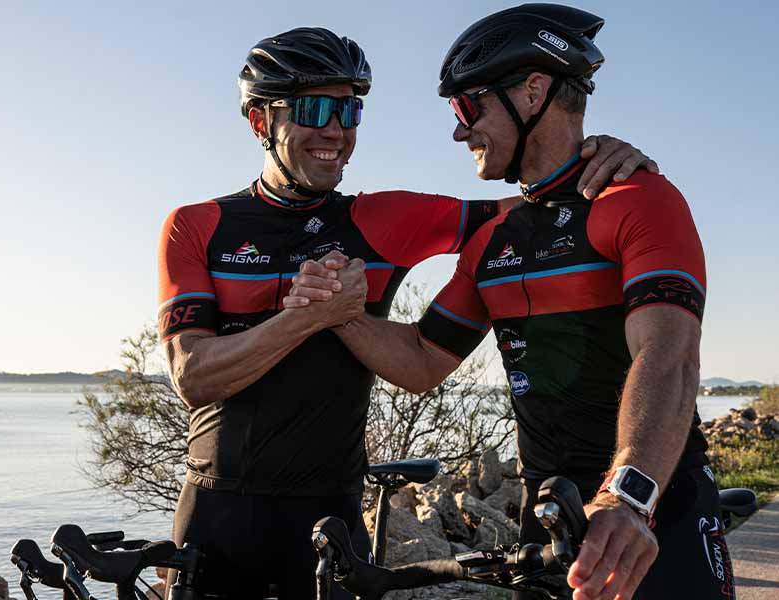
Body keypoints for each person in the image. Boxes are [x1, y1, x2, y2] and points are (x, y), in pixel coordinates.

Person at [158, 25, 656, 599]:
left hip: (330, 512)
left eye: (350, 112)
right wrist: (311, 316)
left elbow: (542, 204)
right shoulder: (196, 226)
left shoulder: (382, 219)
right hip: (216, 509)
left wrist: (610, 158)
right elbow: (194, 377)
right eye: (315, 109)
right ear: (259, 122)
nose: (336, 131)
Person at [284, 5, 733, 600]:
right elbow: (421, 360)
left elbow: (669, 357)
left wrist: (627, 497)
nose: (458, 130)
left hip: (650, 509)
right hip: (548, 519)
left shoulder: (638, 199)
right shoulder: (495, 237)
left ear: (533, 91)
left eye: (466, 107)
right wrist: (339, 314)